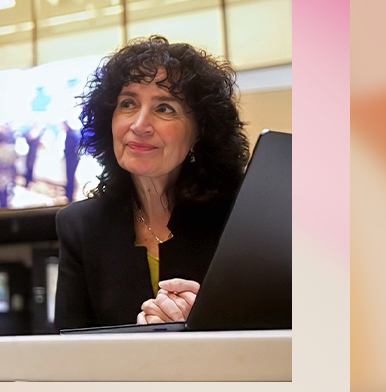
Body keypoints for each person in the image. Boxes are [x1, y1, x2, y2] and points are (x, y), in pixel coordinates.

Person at [53, 37, 249, 331]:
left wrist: (207, 324)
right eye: (128, 103)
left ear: (201, 131)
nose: (140, 125)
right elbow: (68, 353)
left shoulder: (244, 215)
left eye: (165, 108)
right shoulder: (80, 226)